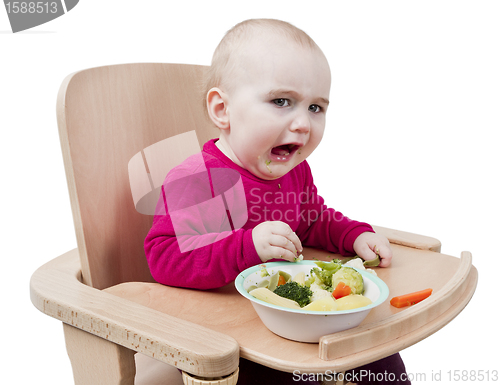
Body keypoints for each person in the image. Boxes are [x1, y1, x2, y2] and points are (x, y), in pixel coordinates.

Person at [145, 18, 409, 385]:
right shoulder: (198, 180)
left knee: (379, 353)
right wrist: (247, 246)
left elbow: (313, 219)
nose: (303, 123)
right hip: (224, 339)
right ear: (223, 111)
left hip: (288, 323)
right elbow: (165, 258)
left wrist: (351, 235)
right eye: (281, 101)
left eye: (316, 108)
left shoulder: (293, 171)